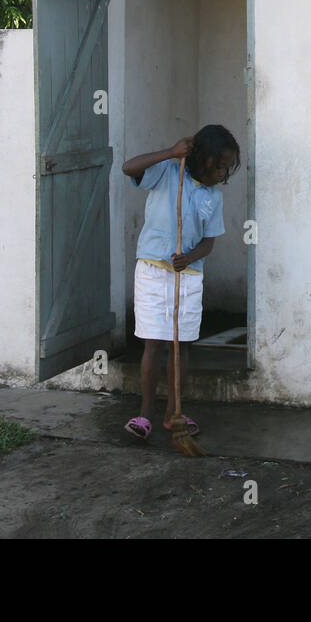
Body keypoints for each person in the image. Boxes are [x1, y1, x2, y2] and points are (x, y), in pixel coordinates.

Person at [120, 124, 239, 440]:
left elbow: (209, 242)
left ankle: (175, 411)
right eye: (220, 165)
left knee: (181, 345)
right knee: (153, 342)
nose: (223, 173)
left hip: (188, 276)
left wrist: (189, 256)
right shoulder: (169, 171)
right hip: (152, 270)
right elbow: (127, 167)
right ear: (202, 159)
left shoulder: (213, 198)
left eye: (227, 167)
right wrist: (171, 152)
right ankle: (145, 413)